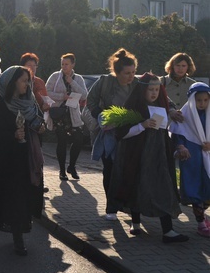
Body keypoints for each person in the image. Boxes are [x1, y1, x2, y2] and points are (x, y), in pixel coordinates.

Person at [106, 73, 188, 243]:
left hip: (158, 160)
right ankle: (135, 223)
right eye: (150, 89)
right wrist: (142, 125)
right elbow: (122, 134)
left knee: (163, 188)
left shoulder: (162, 106)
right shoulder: (133, 108)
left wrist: (173, 149)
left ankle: (168, 231)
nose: (154, 93)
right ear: (142, 90)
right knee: (135, 186)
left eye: (157, 89)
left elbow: (166, 133)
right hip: (136, 157)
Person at [0, 66, 46, 255]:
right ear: (12, 83)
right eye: (23, 80)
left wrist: (41, 128)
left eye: (28, 80)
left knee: (25, 195)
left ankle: (21, 229)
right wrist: (12, 134)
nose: (27, 84)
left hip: (27, 157)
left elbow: (37, 121)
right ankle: (17, 236)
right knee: (13, 197)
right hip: (8, 160)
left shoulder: (29, 102)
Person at [87, 48, 138, 221]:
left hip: (130, 133)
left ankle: (128, 204)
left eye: (133, 72)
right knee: (109, 169)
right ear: (116, 72)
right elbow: (90, 100)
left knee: (128, 169)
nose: (131, 76)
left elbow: (156, 96)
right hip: (108, 133)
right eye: (127, 73)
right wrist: (101, 115)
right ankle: (112, 207)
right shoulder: (104, 82)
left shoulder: (137, 84)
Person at [170, 82, 210, 237]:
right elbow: (177, 134)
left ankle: (203, 216)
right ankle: (200, 224)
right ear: (192, 100)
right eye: (199, 100)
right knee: (196, 191)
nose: (202, 103)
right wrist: (181, 147)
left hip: (207, 157)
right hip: (191, 158)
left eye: (205, 100)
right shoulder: (184, 115)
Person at [45, 53, 88, 181]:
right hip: (59, 113)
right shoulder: (55, 76)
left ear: (73, 64)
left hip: (73, 114)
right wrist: (61, 97)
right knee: (61, 141)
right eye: (62, 64)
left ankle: (72, 166)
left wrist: (72, 82)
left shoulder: (78, 78)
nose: (64, 66)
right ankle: (62, 170)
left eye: (67, 64)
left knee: (79, 139)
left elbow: (84, 95)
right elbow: (47, 92)